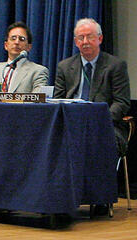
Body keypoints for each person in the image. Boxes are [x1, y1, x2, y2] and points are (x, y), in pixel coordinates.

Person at [53, 18, 131, 160]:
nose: (85, 41)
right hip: (72, 123)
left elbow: (121, 102)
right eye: (81, 38)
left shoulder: (115, 66)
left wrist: (98, 120)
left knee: (96, 142)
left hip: (105, 125)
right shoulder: (64, 67)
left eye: (90, 37)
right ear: (76, 42)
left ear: (100, 39)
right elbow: (57, 101)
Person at [0, 21, 49, 94]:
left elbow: (38, 98)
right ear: (6, 45)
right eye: (13, 38)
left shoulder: (38, 71)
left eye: (21, 39)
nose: (16, 42)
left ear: (29, 47)